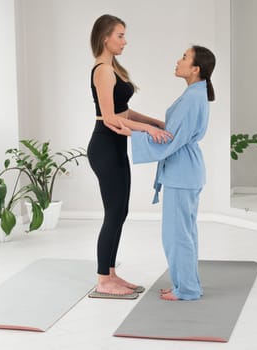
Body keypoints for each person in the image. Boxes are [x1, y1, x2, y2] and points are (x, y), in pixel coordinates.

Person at [109, 45, 216, 301]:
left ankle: (186, 289)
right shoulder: (194, 93)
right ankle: (184, 284)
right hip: (184, 172)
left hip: (182, 173)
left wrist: (133, 133)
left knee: (177, 235)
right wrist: (149, 127)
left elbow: (171, 141)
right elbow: (172, 134)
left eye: (184, 58)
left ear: (195, 69)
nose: (178, 61)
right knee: (182, 233)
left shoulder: (193, 97)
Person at [87, 14, 172, 299]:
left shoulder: (115, 69)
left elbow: (125, 112)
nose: (125, 41)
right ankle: (102, 279)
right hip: (104, 147)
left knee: (120, 212)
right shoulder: (102, 70)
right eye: (120, 35)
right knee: (113, 213)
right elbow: (110, 118)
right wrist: (147, 128)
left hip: (115, 146)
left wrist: (154, 122)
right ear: (105, 38)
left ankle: (110, 273)